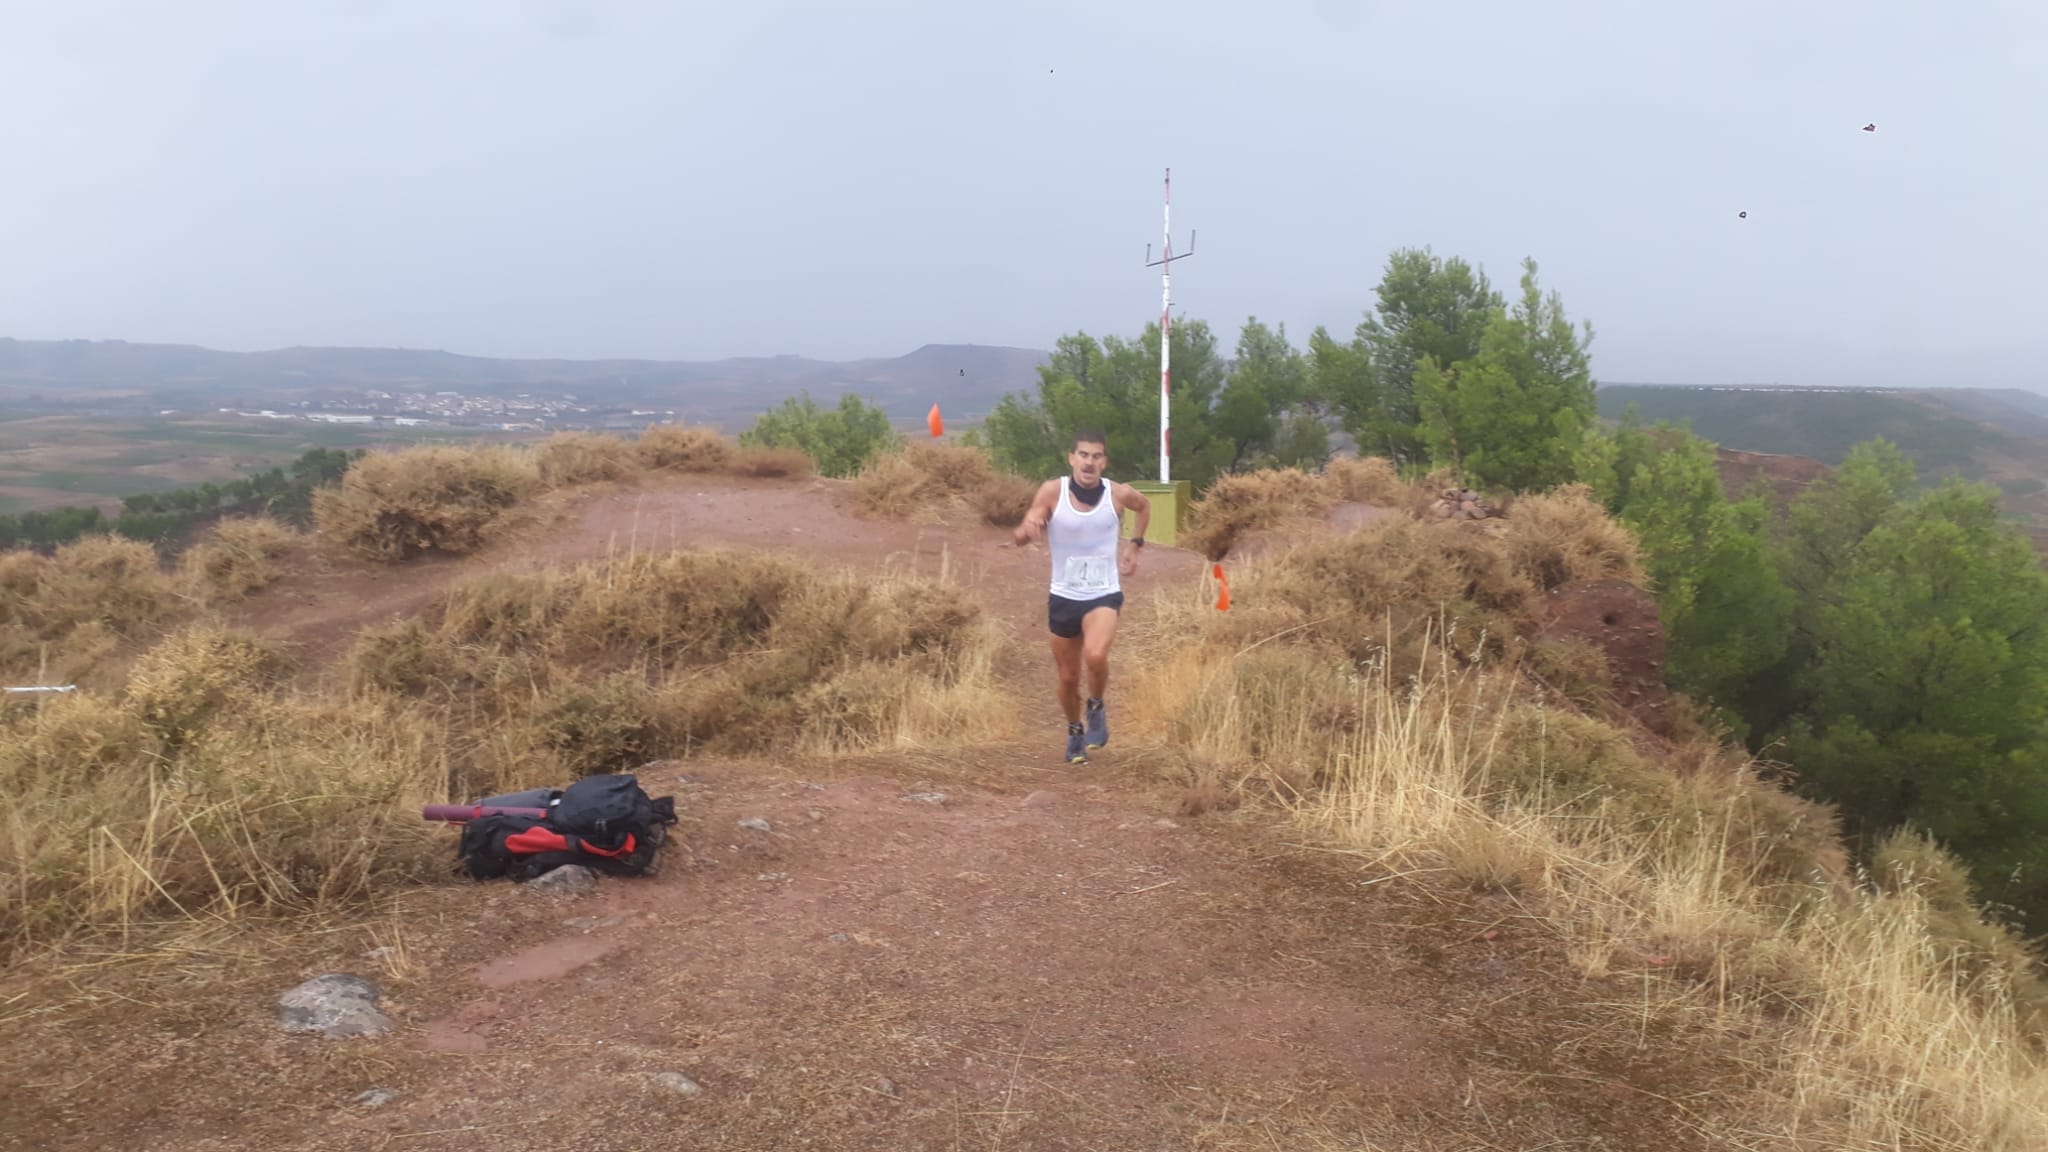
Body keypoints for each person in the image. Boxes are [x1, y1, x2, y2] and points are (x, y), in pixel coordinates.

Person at [1012, 429, 1150, 764]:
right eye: (1084, 455)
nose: (1090, 462)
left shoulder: (1117, 494)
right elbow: (1022, 533)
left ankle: (1097, 706)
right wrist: (1028, 528)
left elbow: (1144, 507)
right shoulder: (1052, 491)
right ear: (1072, 458)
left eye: (1097, 456)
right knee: (1068, 676)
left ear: (1105, 461)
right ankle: (1075, 730)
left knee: (1096, 654)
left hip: (1103, 592)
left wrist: (1135, 545)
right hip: (1064, 595)